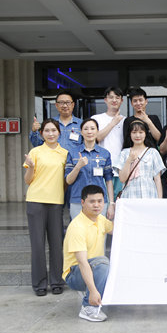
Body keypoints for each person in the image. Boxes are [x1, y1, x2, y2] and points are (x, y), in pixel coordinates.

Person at [23, 118, 68, 296]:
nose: (50, 134)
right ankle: (39, 284)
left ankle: (57, 282)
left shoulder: (65, 153)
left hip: (56, 202)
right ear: (41, 134)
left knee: (56, 244)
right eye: (47, 131)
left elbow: (66, 180)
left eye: (54, 130)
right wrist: (31, 167)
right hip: (36, 201)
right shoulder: (35, 152)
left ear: (59, 132)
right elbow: (28, 180)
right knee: (38, 245)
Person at [63, 185, 113, 322]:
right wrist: (93, 290)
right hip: (74, 273)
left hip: (93, 267)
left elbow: (118, 229)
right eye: (92, 201)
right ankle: (88, 307)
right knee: (103, 263)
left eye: (100, 201)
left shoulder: (100, 219)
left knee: (108, 264)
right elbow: (82, 262)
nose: (97, 205)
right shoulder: (77, 227)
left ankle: (94, 293)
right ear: (83, 203)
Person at [65, 118, 115, 220]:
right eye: (86, 129)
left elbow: (109, 181)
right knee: (78, 229)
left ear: (97, 131)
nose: (89, 132)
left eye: (92, 128)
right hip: (78, 200)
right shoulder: (73, 153)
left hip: (99, 201)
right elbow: (68, 180)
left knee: (98, 229)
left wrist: (111, 203)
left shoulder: (105, 153)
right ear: (81, 132)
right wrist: (78, 166)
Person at [115, 120, 165, 199]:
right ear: (130, 134)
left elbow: (157, 179)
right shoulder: (124, 153)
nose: (137, 135)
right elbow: (122, 179)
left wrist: (159, 200)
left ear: (145, 134)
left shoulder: (153, 152)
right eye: (134, 132)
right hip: (129, 195)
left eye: (141, 132)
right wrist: (129, 160)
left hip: (149, 195)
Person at [92, 86, 125, 201]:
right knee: (102, 202)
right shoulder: (96, 119)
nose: (114, 100)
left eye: (117, 97)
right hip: (101, 168)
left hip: (120, 169)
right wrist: (113, 123)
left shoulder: (125, 120)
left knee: (119, 203)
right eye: (111, 97)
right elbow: (96, 138)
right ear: (105, 100)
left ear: (121, 101)